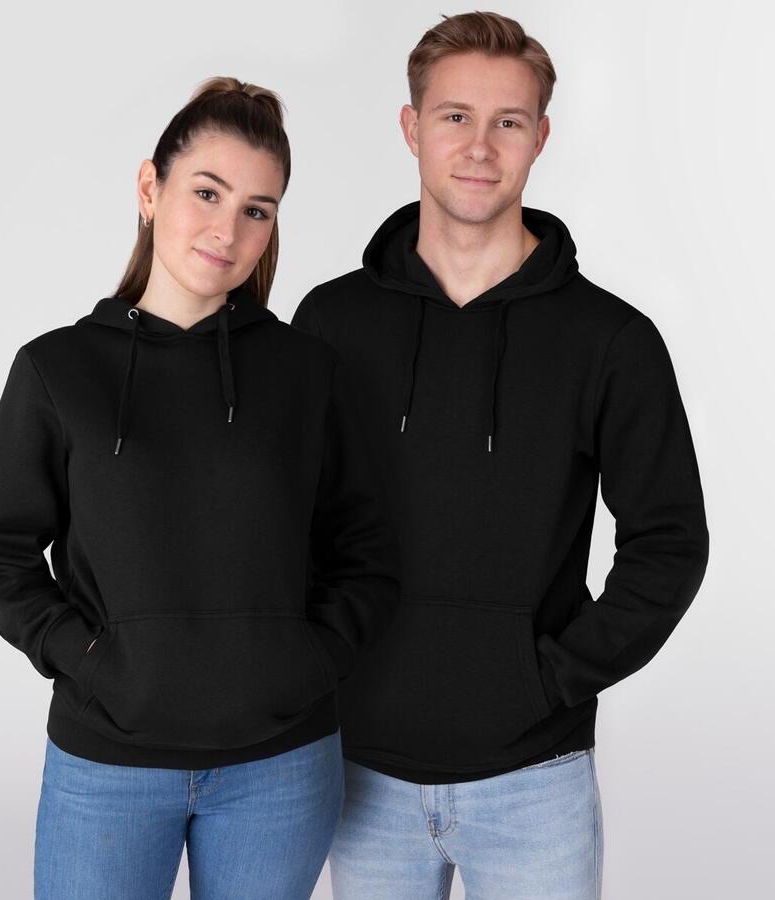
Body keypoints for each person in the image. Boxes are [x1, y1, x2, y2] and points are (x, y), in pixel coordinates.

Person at [292, 12, 709, 899]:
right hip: (360, 772)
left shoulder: (611, 339)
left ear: (540, 137)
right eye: (455, 117)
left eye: (507, 121)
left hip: (534, 782)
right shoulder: (331, 322)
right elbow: (290, 524)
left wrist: (550, 678)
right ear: (412, 127)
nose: (479, 147)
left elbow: (670, 542)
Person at [0, 76, 399, 900]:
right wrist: (87, 661)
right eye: (207, 192)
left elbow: (366, 548)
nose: (228, 230)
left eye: (258, 209)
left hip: (281, 767)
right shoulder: (59, 369)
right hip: (107, 766)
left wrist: (312, 660)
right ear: (149, 187)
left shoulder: (307, 371)